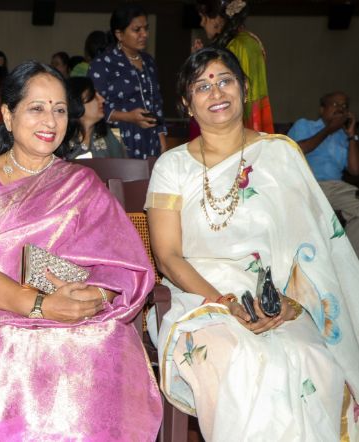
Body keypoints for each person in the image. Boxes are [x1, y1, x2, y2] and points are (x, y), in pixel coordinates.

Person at [0, 61, 162, 440]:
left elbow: (120, 265)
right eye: (37, 108)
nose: (50, 121)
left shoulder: (81, 182)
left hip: (72, 313)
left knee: (102, 342)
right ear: (8, 116)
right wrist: (40, 306)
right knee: (18, 347)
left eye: (59, 110)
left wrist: (93, 298)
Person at [146, 47, 359, 441]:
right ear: (187, 104)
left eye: (225, 80)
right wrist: (224, 302)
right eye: (202, 86)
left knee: (312, 361)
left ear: (244, 88)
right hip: (199, 299)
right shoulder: (172, 166)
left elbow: (312, 251)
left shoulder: (280, 155)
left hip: (274, 299)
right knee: (242, 361)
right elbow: (169, 256)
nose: (216, 92)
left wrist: (290, 304)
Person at [88, 4, 167, 158]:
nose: (144, 34)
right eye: (137, 30)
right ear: (119, 34)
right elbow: (92, 106)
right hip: (118, 138)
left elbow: (156, 101)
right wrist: (129, 117)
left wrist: (161, 135)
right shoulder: (103, 64)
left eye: (146, 28)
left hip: (150, 137)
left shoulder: (148, 61)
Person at [287, 91, 359, 256]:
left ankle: (348, 259)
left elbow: (355, 170)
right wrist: (329, 129)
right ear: (322, 109)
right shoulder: (304, 125)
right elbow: (299, 149)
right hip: (308, 185)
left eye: (344, 106)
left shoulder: (344, 135)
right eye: (335, 104)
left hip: (336, 188)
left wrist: (352, 136)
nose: (340, 109)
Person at [193, 0, 274, 134]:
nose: (201, 23)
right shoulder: (246, 41)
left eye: (203, 17)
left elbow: (232, 94)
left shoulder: (238, 46)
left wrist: (200, 67)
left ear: (217, 18)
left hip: (239, 126)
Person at [65, 76, 126, 159]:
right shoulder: (60, 140)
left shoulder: (112, 134)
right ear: (76, 102)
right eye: (94, 96)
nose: (102, 99)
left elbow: (123, 165)